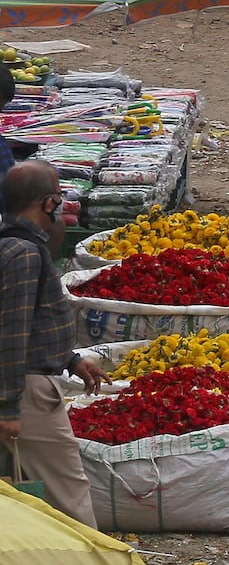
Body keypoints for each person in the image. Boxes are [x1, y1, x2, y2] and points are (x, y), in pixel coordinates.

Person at [0, 163, 105, 529]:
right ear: (48, 203)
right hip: (26, 391)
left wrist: (70, 360)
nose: (60, 206)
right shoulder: (23, 254)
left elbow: (30, 324)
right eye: (59, 198)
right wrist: (9, 407)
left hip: (25, 383)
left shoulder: (16, 246)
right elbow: (11, 333)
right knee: (68, 489)